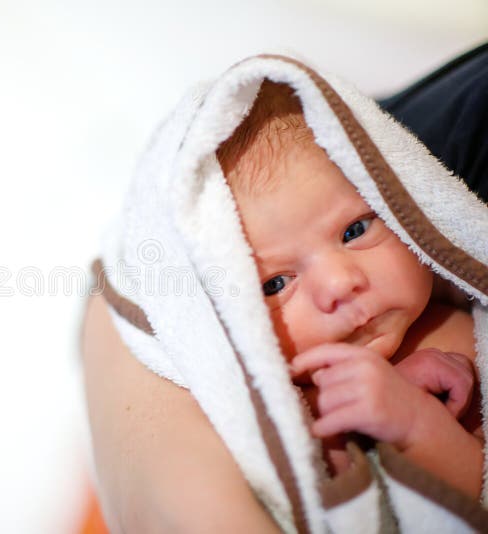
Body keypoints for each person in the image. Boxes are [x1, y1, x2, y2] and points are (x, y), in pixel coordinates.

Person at [82, 46, 488, 532]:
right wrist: (380, 428)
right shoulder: (296, 420)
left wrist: (415, 421)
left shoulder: (455, 327)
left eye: (356, 230)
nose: (340, 284)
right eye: (275, 282)